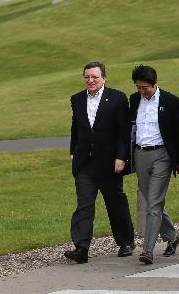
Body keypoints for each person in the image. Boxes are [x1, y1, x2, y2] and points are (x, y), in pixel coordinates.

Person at [65, 61, 135, 263]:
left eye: (94, 76)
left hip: (110, 163)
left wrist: (122, 156)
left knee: (115, 203)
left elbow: (124, 131)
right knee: (84, 204)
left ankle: (125, 242)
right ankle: (81, 247)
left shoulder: (117, 98)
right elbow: (76, 128)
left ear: (104, 78)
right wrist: (73, 152)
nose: (90, 80)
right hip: (84, 163)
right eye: (87, 76)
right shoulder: (77, 99)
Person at [129, 64, 179, 265]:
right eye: (138, 87)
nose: (142, 91)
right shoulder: (134, 100)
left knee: (152, 203)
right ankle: (172, 236)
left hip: (162, 155)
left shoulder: (171, 101)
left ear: (155, 84)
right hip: (140, 154)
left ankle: (148, 250)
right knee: (152, 200)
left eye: (145, 87)